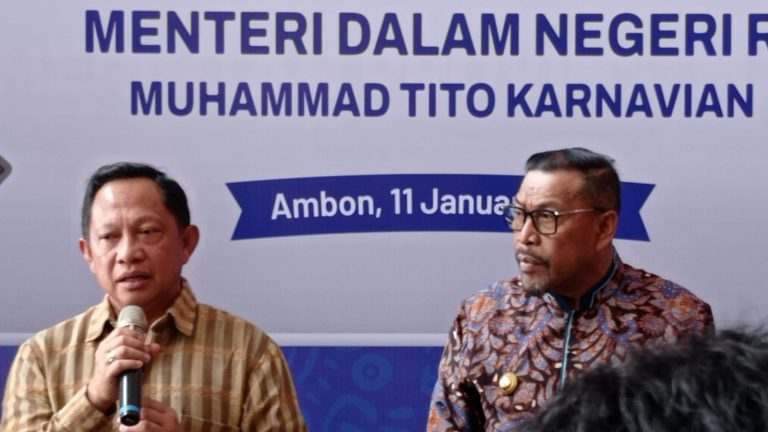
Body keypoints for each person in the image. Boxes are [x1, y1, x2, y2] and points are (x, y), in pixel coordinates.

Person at [1, 162, 306, 431]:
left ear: (186, 243)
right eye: (109, 237)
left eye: (147, 232)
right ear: (88, 253)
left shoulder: (249, 352)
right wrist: (93, 400)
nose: (128, 253)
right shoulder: (42, 356)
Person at [426, 147, 714, 431]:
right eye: (519, 214)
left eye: (545, 217)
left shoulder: (679, 320)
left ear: (604, 228)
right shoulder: (481, 317)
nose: (525, 236)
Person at [521, 327, 768, 432]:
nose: (525, 239)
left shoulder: (677, 308)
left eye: (546, 218)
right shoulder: (495, 307)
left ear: (604, 234)